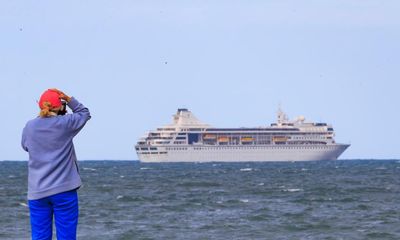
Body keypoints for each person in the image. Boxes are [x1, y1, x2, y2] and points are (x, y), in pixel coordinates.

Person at [21, 89, 91, 240]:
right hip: (64, 190)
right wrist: (70, 99)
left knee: (40, 236)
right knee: (67, 236)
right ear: (60, 106)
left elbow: (25, 146)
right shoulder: (65, 124)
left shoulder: (30, 126)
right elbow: (84, 113)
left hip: (37, 191)